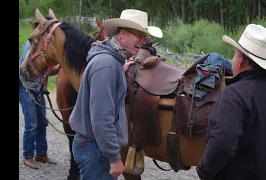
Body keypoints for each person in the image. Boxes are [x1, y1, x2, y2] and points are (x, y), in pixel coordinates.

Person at [196, 24, 266, 180]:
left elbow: (223, 142)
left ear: (240, 60)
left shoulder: (233, 95)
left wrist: (204, 170)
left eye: (234, 55)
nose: (232, 60)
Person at [69, 9, 162, 179]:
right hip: (95, 149)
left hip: (95, 147)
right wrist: (114, 158)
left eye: (144, 37)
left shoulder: (112, 62)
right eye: (139, 36)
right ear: (123, 34)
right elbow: (102, 118)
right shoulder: (107, 66)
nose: (143, 42)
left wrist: (120, 69)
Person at [19, 39, 61, 169]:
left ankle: (41, 154)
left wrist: (58, 66)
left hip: (37, 89)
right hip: (26, 88)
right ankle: (28, 156)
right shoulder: (30, 45)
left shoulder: (45, 46)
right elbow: (28, 70)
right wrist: (50, 64)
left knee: (42, 123)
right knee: (31, 124)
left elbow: (47, 70)